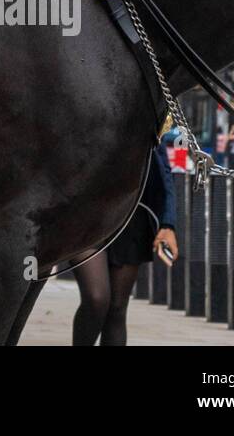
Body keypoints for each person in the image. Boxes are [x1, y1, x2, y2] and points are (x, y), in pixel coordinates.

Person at [71, 139, 178, 347]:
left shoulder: (151, 109)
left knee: (117, 308)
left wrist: (168, 223)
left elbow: (163, 168)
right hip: (84, 212)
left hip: (131, 214)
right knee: (97, 298)